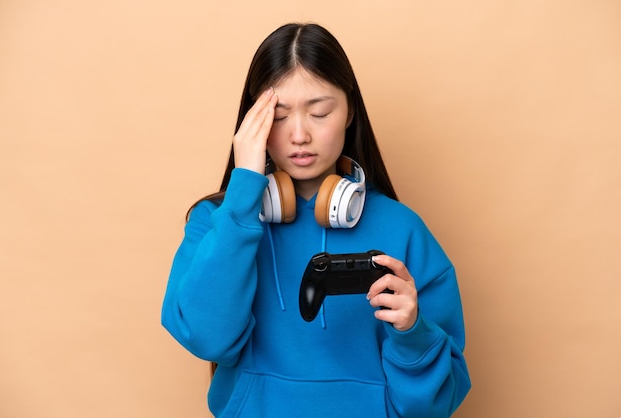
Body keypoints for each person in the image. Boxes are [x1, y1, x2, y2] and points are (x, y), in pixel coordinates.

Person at [161, 22, 471, 417]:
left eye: (319, 112)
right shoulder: (216, 223)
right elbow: (207, 338)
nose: (299, 135)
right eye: (278, 116)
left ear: (350, 111)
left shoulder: (403, 229)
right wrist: (243, 197)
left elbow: (438, 402)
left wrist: (413, 332)